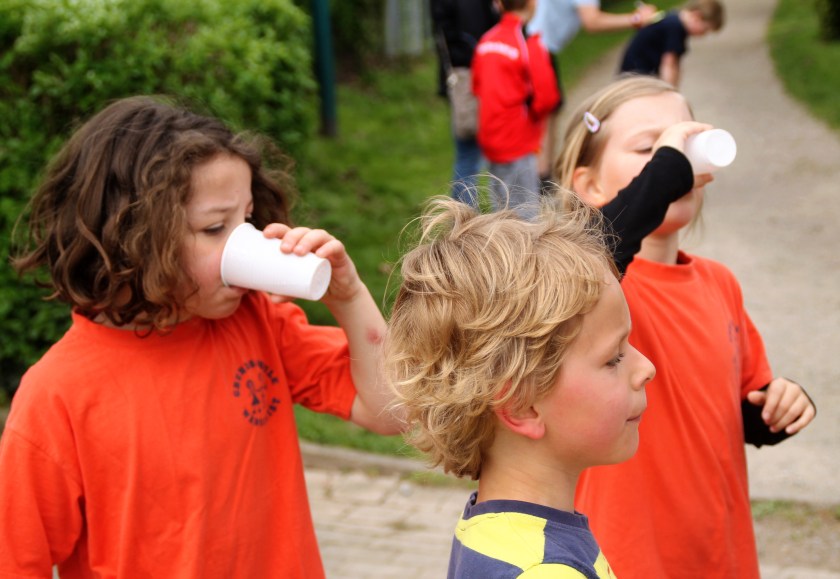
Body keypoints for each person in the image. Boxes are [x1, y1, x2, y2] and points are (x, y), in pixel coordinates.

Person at [0, 95, 404, 578]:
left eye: (247, 219)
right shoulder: (57, 396)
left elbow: (390, 410)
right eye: (216, 227)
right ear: (132, 236)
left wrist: (349, 296)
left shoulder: (257, 321)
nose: (244, 241)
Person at [554, 75, 817, 578]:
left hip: (719, 555)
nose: (675, 163)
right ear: (587, 185)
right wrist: (667, 169)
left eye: (684, 143)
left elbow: (734, 409)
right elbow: (595, 250)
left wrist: (777, 406)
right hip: (626, 558)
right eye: (651, 148)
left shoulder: (720, 284)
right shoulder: (592, 285)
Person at [384, 195, 656, 577]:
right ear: (521, 405)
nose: (647, 368)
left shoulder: (493, 528)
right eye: (613, 358)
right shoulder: (545, 570)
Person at [526, 0, 660, 186]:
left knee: (551, 110)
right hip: (536, 46)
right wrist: (636, 19)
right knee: (545, 113)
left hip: (537, 43)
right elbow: (592, 21)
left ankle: (543, 177)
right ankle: (539, 181)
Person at [472, 0, 561, 219]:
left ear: (499, 5)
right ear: (533, 3)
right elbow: (547, 97)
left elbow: (476, 86)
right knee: (526, 214)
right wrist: (534, 121)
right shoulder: (529, 43)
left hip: (490, 138)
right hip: (518, 140)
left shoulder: (485, 41)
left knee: (500, 211)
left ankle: (501, 250)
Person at [431, 0, 500, 205]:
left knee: (470, 152)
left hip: (467, 75)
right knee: (471, 151)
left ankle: (464, 215)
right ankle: (466, 216)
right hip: (473, 77)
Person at [619, 0, 725, 87]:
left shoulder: (672, 19)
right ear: (696, 16)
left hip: (631, 74)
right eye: (705, 29)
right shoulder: (676, 28)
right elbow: (670, 64)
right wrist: (671, 91)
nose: (703, 35)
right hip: (636, 78)